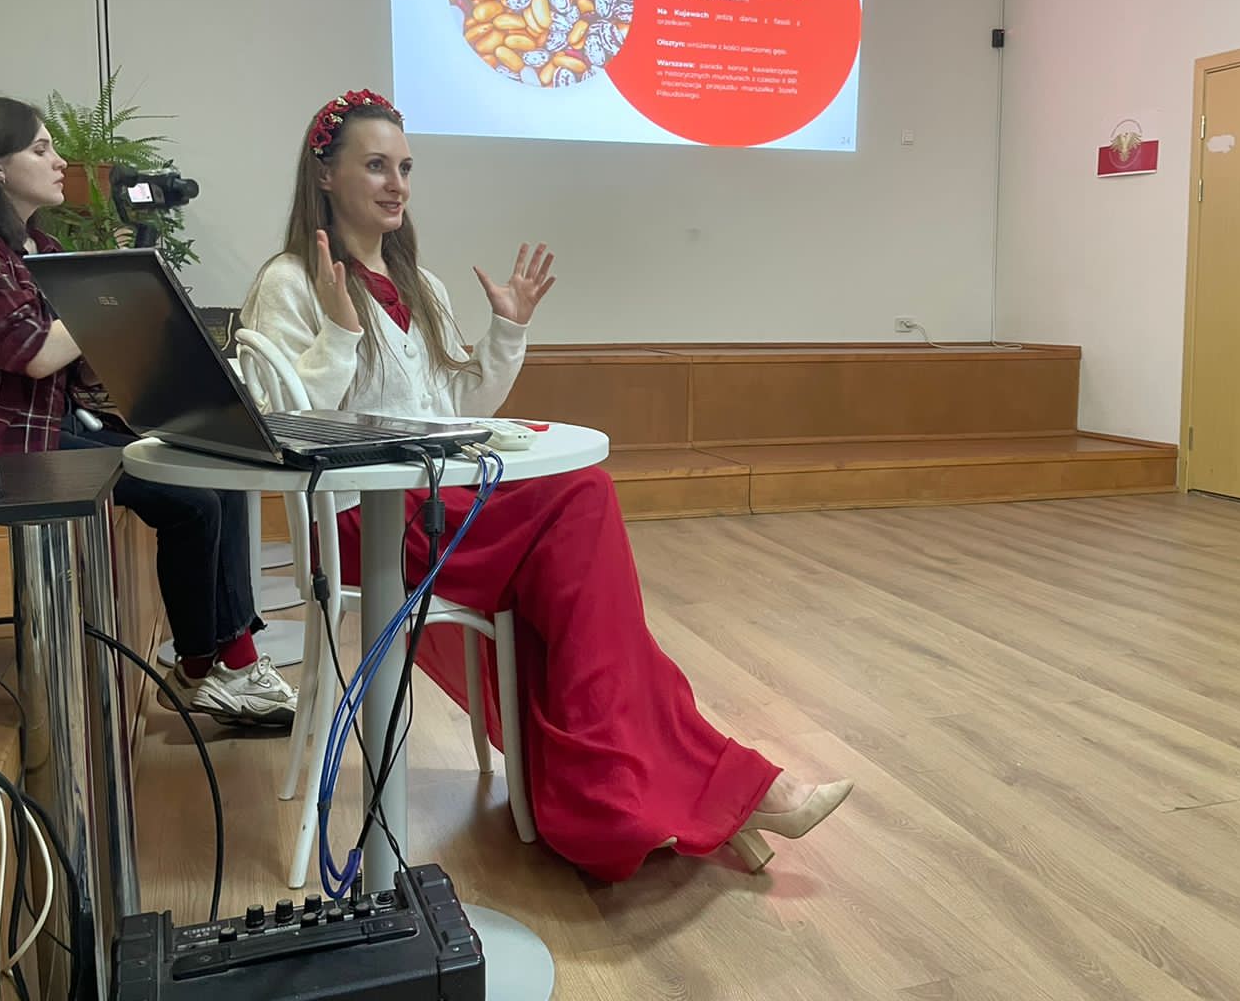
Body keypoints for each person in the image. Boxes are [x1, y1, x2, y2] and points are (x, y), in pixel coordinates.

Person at [240, 89, 851, 880]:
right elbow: (286, 426)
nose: (397, 185)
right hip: (364, 526)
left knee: (582, 565)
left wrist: (508, 330)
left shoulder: (418, 283)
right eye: (377, 166)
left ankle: (659, 796)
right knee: (582, 500)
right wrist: (338, 331)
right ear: (324, 174)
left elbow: (453, 408)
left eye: (406, 168)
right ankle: (690, 791)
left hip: (435, 508)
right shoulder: (292, 281)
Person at [0, 95, 297, 727]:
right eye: (41, 149)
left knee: (215, 468)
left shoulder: (38, 244)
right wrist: (118, 295)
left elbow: (83, 367)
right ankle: (211, 667)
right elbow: (32, 353)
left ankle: (219, 665)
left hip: (51, 429)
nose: (60, 161)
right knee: (191, 501)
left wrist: (131, 312)